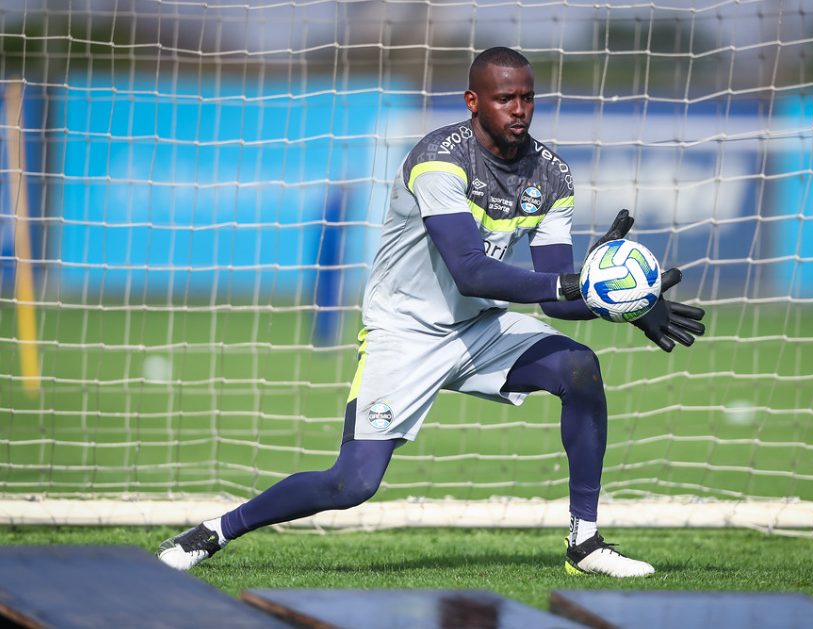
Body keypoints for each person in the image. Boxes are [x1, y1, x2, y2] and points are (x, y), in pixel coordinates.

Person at [158, 46, 705, 578]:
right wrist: (578, 282)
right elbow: (471, 269)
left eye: (528, 98)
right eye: (505, 98)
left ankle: (584, 542)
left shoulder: (552, 176)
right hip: (405, 331)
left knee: (579, 368)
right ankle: (215, 531)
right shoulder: (439, 159)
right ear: (472, 101)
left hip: (481, 325)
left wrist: (626, 305)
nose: (519, 110)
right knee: (352, 484)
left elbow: (550, 299)